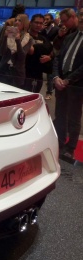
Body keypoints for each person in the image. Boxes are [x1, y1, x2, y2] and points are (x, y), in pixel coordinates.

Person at [52, 7, 83, 160]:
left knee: (74, 117)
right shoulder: (70, 37)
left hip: (76, 86)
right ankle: (59, 142)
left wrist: (68, 80)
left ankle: (70, 149)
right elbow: (57, 58)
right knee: (60, 115)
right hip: (61, 83)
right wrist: (56, 77)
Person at [0, 14, 34, 88]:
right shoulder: (9, 34)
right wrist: (5, 37)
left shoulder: (28, 38)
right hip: (3, 69)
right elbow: (2, 52)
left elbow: (22, 56)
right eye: (16, 20)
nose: (16, 22)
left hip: (17, 73)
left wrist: (18, 41)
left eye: (20, 20)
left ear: (25, 23)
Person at [23, 14, 53, 93]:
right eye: (36, 22)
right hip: (24, 73)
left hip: (38, 74)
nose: (38, 25)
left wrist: (49, 57)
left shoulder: (43, 38)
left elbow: (51, 50)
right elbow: (30, 51)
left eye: (41, 23)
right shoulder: (25, 36)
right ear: (31, 22)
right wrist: (41, 48)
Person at [41, 13, 59, 99]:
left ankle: (49, 92)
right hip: (43, 52)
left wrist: (52, 55)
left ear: (51, 20)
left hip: (52, 54)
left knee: (50, 75)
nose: (46, 21)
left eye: (47, 19)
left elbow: (57, 45)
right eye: (45, 19)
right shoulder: (42, 30)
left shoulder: (56, 29)